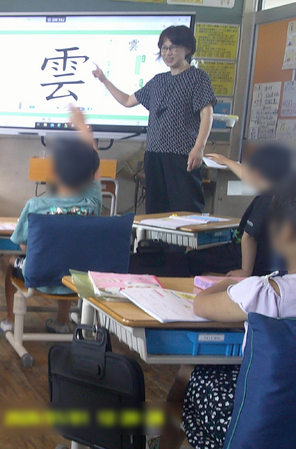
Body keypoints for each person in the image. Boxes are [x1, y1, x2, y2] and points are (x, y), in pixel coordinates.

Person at [176, 177, 296, 449]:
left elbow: (201, 304)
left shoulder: (265, 292)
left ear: (286, 232)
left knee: (188, 377)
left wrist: (233, 281)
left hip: (259, 426)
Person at [93, 25, 217, 214]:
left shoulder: (198, 78)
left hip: (182, 155)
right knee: (156, 211)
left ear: (187, 49)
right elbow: (127, 101)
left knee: (186, 208)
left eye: (173, 47)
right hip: (154, 154)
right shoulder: (158, 81)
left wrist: (199, 147)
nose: (168, 53)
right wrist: (104, 80)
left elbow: (206, 114)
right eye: (164, 48)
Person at [2, 105, 101, 334]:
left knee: (12, 262)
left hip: (41, 277)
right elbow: (94, 166)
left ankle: (10, 319)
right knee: (70, 257)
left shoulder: (35, 206)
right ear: (91, 178)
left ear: (53, 173)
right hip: (79, 281)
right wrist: (84, 129)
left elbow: (24, 245)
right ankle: (63, 321)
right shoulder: (93, 203)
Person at [186, 143, 293, 277]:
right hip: (247, 254)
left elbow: (249, 237)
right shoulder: (282, 191)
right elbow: (250, 177)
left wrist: (245, 271)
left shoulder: (266, 199)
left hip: (242, 258)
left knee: (189, 257)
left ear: (257, 173)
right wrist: (226, 161)